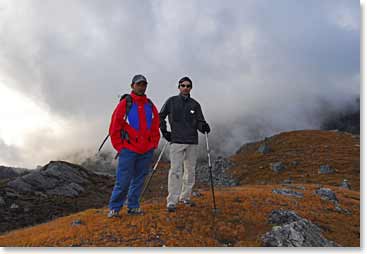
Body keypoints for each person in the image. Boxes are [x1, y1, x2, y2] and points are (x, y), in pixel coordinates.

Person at [107, 74, 160, 218]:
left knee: (138, 180)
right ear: (132, 86)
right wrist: (120, 147)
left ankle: (133, 206)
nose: (141, 87)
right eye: (139, 84)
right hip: (128, 150)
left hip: (146, 150)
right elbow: (114, 127)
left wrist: (153, 144)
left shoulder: (149, 104)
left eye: (144, 84)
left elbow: (156, 125)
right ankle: (115, 208)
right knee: (123, 181)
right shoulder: (126, 103)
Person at [159, 76, 211, 212]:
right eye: (183, 85)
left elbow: (200, 121)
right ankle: (172, 201)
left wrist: (204, 126)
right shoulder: (171, 101)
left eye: (188, 86)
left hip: (192, 141)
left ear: (191, 88)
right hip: (176, 141)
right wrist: (164, 132)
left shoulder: (195, 104)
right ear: (179, 87)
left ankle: (185, 197)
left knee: (190, 170)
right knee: (175, 171)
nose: (185, 88)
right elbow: (160, 116)